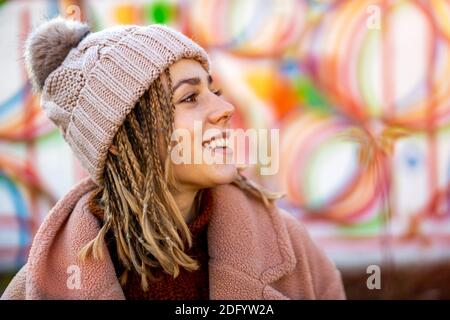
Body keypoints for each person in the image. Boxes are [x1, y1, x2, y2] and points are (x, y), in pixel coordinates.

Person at [1, 17, 345, 300]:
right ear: (120, 139)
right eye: (190, 98)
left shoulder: (291, 248)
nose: (225, 109)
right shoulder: (43, 285)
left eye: (215, 92)